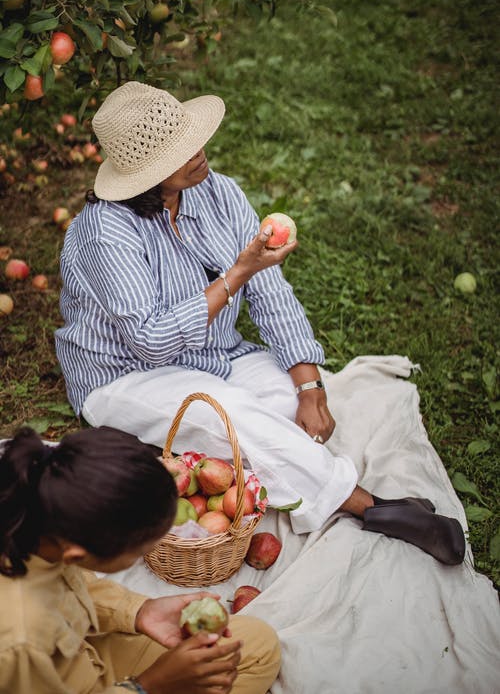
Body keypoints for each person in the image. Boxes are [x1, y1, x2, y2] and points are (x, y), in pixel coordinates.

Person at [55, 81, 465, 566]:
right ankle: (374, 508)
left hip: (217, 354)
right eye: (183, 151)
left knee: (285, 407)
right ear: (147, 174)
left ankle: (187, 459)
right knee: (232, 416)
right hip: (125, 372)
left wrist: (310, 386)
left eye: (195, 139)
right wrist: (237, 274)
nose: (201, 153)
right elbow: (150, 342)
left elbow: (270, 292)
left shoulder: (220, 193)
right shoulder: (105, 230)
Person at [0, 426, 281, 694]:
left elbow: (73, 585)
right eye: (139, 551)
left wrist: (139, 610)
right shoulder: (20, 640)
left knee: (257, 645)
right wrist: (151, 685)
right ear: (78, 554)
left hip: (86, 650)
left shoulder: (39, 520)